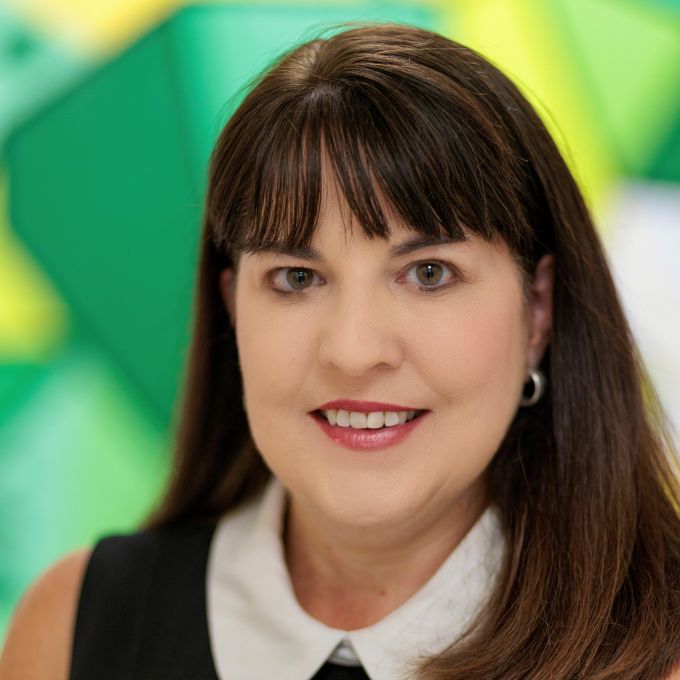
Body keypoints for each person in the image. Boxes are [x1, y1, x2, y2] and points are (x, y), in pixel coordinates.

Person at [2, 20, 680, 680]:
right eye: (298, 278)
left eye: (428, 273)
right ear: (235, 308)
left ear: (538, 309)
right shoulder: (73, 631)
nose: (354, 352)